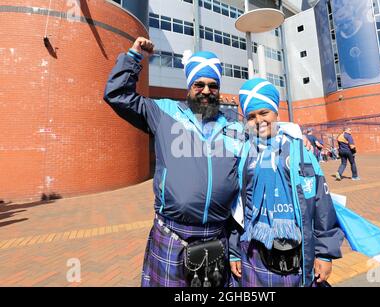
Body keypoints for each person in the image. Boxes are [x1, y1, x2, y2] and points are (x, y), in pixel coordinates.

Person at [104, 37, 244, 287]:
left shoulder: (234, 126)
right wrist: (134, 57)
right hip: (172, 236)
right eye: (199, 84)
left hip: (217, 235)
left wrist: (298, 139)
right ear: (189, 86)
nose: (206, 91)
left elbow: (267, 140)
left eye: (213, 85)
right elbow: (117, 95)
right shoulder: (164, 112)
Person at [228, 78, 344, 287]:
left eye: (264, 113)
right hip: (253, 254)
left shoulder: (300, 150)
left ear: (276, 113)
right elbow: (238, 207)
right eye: (251, 116)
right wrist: (235, 251)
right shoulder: (244, 153)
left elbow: (321, 203)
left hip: (296, 257)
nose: (258, 120)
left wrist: (325, 254)